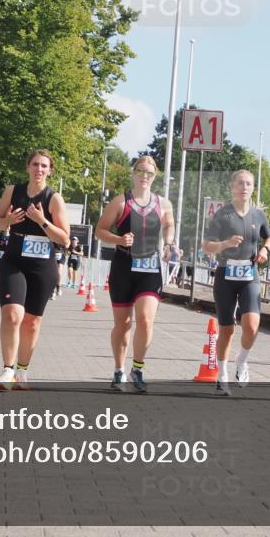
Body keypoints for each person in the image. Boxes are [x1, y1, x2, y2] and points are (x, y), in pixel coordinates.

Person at [95, 155, 176, 392]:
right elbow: (100, 230)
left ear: (154, 177)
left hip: (150, 267)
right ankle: (119, 370)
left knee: (145, 319)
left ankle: (137, 369)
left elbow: (169, 224)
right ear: (134, 173)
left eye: (149, 173)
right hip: (123, 266)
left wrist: (169, 243)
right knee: (123, 324)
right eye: (141, 171)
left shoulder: (164, 204)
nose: (144, 176)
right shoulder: (121, 202)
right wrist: (119, 239)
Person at [0, 150, 70, 389]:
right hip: (14, 260)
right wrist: (9, 222)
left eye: (44, 166)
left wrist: (41, 221)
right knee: (12, 314)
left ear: (50, 170)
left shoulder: (53, 198)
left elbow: (65, 239)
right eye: (35, 164)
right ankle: (7, 369)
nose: (39, 169)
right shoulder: (12, 191)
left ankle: (22, 371)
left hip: (42, 266)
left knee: (32, 322)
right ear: (27, 167)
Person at [202, 170, 270, 396]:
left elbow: (269, 237)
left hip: (249, 275)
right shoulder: (222, 216)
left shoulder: (258, 215)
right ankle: (222, 374)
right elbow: (206, 246)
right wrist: (224, 244)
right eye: (240, 183)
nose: (244, 187)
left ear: (253, 188)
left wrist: (264, 249)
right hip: (225, 274)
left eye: (249, 184)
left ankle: (242, 361)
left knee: (252, 326)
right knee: (227, 330)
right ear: (232, 187)